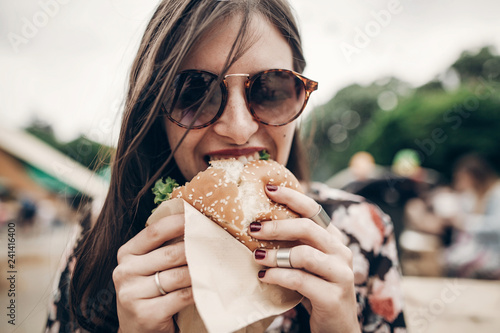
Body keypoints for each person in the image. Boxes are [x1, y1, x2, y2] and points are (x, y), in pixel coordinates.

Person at [45, 1, 406, 332]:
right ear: (154, 110)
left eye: (270, 88)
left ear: (299, 96)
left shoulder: (365, 233)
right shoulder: (96, 240)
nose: (238, 129)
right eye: (195, 92)